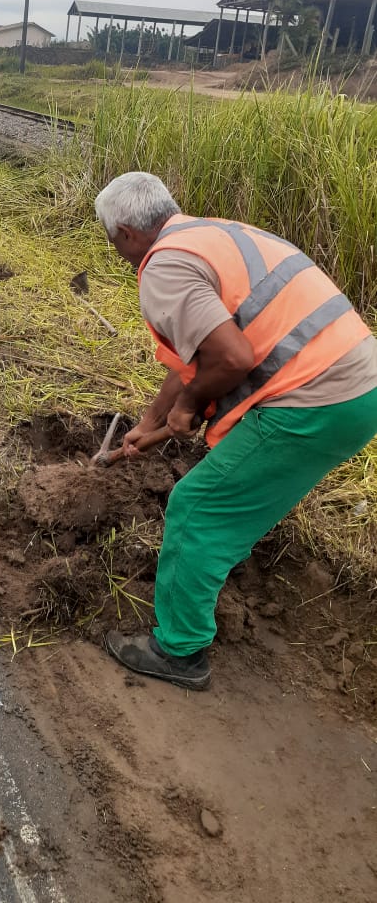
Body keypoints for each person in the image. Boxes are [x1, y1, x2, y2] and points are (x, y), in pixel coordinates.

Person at [94, 171, 377, 691]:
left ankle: (180, 654)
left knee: (197, 507)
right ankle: (217, 566)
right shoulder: (212, 235)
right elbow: (197, 357)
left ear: (128, 233)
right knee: (229, 499)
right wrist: (152, 422)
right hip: (357, 388)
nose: (117, 251)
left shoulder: (164, 269)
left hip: (312, 401)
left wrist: (188, 406)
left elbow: (232, 358)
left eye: (112, 240)